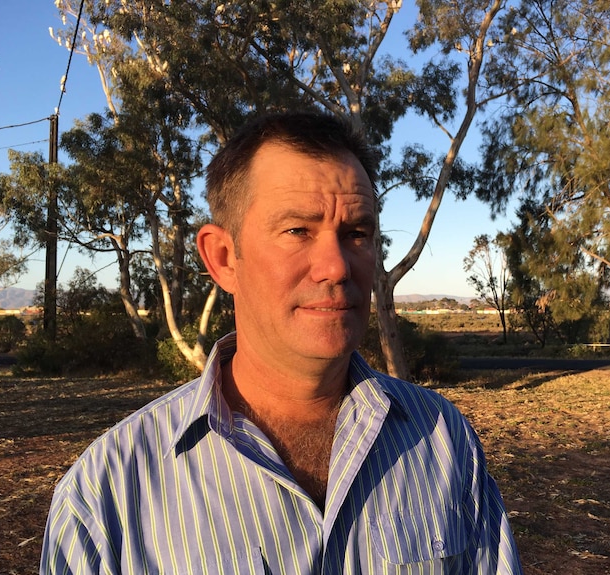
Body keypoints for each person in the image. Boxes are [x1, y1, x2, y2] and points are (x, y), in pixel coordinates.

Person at [40, 111, 522, 574]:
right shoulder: (108, 493)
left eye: (356, 233)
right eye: (297, 230)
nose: (336, 267)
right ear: (224, 258)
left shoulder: (442, 438)